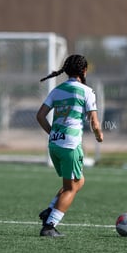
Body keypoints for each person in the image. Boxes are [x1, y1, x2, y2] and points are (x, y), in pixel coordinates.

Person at [36, 54, 103, 237]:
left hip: (54, 145)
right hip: (70, 146)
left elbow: (40, 116)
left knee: (77, 181)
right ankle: (50, 225)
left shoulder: (57, 90)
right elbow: (94, 123)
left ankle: (50, 210)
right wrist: (99, 136)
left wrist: (53, 133)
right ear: (84, 71)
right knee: (71, 188)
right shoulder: (86, 91)